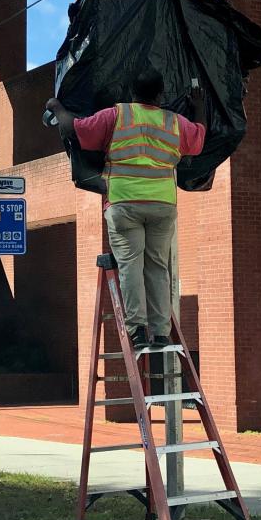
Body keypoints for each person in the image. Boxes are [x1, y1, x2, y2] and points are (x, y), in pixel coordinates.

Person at [46, 69, 206, 349]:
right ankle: (160, 332)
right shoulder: (174, 122)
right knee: (158, 266)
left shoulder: (117, 116)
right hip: (162, 205)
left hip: (124, 204)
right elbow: (199, 140)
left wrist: (56, 106)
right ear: (160, 95)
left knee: (131, 266)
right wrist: (200, 106)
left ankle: (137, 330)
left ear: (131, 92)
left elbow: (74, 128)